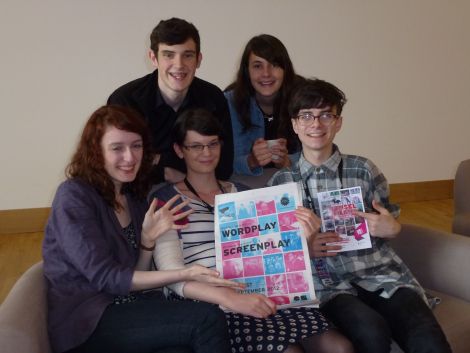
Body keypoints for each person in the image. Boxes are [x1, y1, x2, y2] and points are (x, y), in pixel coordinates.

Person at [268, 78, 451, 353]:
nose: (316, 124)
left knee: (425, 332)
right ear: (295, 124)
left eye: (326, 115)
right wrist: (304, 248)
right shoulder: (280, 183)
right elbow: (274, 253)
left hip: (379, 273)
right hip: (328, 285)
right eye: (306, 116)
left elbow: (391, 222)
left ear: (338, 122)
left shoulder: (364, 169)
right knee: (370, 330)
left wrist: (393, 228)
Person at [151, 108, 354, 353]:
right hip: (212, 303)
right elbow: (171, 274)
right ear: (179, 150)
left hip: (265, 291)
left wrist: (304, 238)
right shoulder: (167, 200)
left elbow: (276, 250)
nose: (206, 153)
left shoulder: (247, 194)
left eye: (212, 144)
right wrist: (231, 299)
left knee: (340, 348)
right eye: (195, 146)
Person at [42, 105, 239, 353]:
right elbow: (109, 278)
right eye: (117, 148)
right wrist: (185, 273)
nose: (130, 157)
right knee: (207, 318)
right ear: (96, 151)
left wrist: (146, 243)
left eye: (136, 146)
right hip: (88, 320)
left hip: (131, 308)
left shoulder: (133, 197)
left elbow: (135, 275)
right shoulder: (74, 196)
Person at [108, 17, 233, 183]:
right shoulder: (125, 101)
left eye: (187, 55)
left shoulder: (213, 98)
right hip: (140, 195)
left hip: (200, 191)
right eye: (169, 55)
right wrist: (167, 171)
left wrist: (158, 159)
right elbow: (122, 166)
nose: (179, 65)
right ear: (153, 58)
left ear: (199, 60)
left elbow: (223, 167)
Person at [225, 34, 302, 178]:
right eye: (257, 66)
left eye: (274, 65)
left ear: (285, 69)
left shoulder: (303, 99)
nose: (266, 74)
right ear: (247, 71)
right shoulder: (228, 103)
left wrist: (288, 161)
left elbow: (318, 153)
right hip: (244, 188)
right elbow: (217, 161)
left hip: (294, 184)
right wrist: (250, 161)